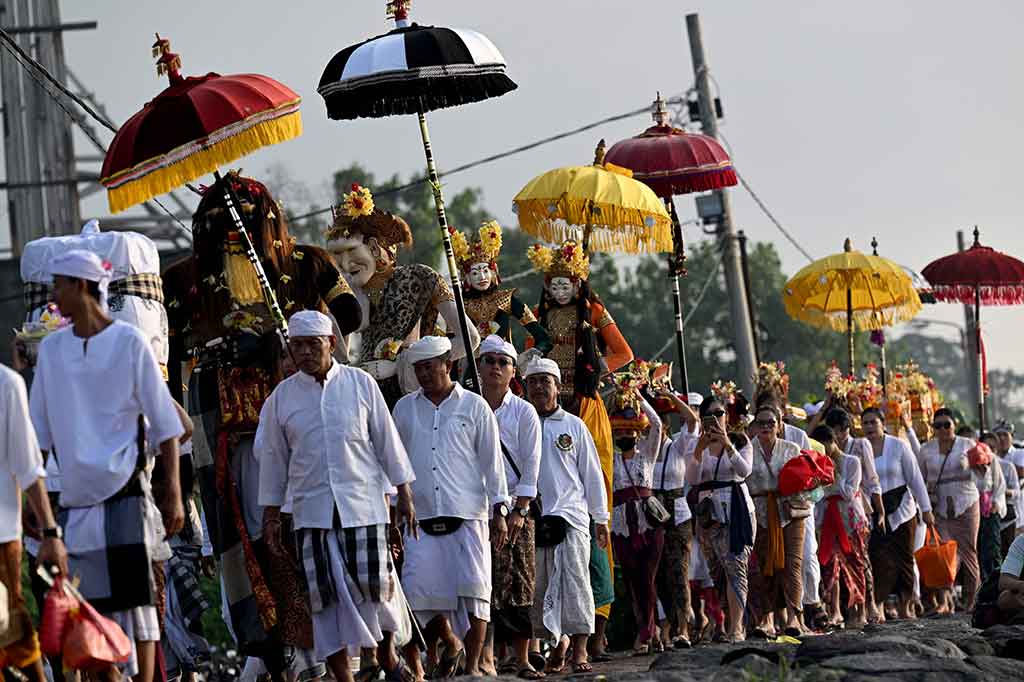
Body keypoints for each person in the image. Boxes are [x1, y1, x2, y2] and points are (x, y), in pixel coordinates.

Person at [163, 173, 361, 680]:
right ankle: (266, 643)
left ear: (267, 217)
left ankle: (323, 641)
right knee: (247, 533)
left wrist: (293, 334)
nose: (235, 228)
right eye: (224, 219)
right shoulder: (182, 280)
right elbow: (167, 360)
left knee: (305, 524)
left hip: (297, 412)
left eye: (246, 217)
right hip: (224, 428)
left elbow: (351, 315)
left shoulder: (305, 262)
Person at [30, 250, 186, 682]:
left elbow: (167, 426)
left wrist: (172, 491)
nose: (54, 294)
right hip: (76, 509)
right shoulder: (54, 351)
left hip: (127, 500)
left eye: (59, 284)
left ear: (81, 286)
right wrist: (38, 511)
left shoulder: (130, 342)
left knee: (138, 616)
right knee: (89, 620)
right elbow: (36, 441)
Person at [256, 311, 417, 682]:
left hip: (364, 506)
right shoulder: (282, 397)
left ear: (331, 344)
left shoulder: (360, 383)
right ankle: (343, 676)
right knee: (323, 600)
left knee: (376, 590)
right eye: (298, 346)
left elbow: (387, 440)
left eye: (314, 344)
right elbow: (273, 462)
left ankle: (387, 652)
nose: (306, 352)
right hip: (311, 514)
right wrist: (270, 518)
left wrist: (404, 493)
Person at [526, 240, 633, 658]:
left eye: (566, 282)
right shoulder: (541, 316)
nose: (559, 290)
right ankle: (548, 636)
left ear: (578, 282)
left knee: (592, 511)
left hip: (584, 411)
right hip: (544, 407)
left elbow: (623, 352)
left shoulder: (591, 311)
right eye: (552, 283)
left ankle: (597, 624)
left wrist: (589, 372)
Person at [392, 336, 509, 679]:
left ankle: (472, 667)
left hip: (469, 512)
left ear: (449, 364)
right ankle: (447, 643)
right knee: (419, 595)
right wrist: (393, 504)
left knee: (475, 590)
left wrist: (500, 510)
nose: (424, 374)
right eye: (418, 368)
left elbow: (493, 462)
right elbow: (394, 459)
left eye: (430, 366)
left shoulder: (474, 406)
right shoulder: (404, 408)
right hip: (419, 515)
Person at [325, 183, 478, 407]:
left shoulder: (420, 276)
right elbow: (340, 358)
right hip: (367, 398)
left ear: (375, 248)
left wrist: (405, 364)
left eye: (350, 251)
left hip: (415, 395)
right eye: (337, 255)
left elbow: (470, 339)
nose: (344, 264)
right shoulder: (348, 289)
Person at [522, 358, 609, 675]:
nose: (539, 387)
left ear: (558, 387)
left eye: (546, 381)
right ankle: (534, 652)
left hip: (570, 517)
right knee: (534, 587)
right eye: (533, 381)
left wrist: (601, 518)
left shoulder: (574, 426)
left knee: (575, 585)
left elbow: (592, 475)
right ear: (525, 387)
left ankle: (579, 652)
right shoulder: (520, 422)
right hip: (531, 518)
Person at [474, 336, 542, 679]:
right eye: (489, 361)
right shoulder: (469, 405)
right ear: (478, 365)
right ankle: (487, 656)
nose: (496, 368)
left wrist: (520, 510)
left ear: (513, 370)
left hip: (516, 506)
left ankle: (522, 657)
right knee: (482, 582)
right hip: (477, 506)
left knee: (518, 581)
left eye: (503, 362)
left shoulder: (524, 411)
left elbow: (531, 464)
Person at [0, 363, 68, 682]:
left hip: (1, 541)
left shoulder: (6, 384)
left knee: (15, 638)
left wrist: (51, 532)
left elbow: (28, 467)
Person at [685, 389, 755, 643]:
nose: (715, 419)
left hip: (736, 511)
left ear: (727, 416)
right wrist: (699, 451)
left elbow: (744, 470)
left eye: (719, 413)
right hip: (708, 516)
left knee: (736, 568)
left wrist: (727, 445)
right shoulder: (695, 444)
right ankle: (728, 621)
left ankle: (736, 627)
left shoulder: (740, 441)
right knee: (717, 572)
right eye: (709, 415)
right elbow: (692, 479)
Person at [608, 376, 664, 655]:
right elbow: (601, 429)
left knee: (648, 579)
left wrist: (636, 395)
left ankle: (646, 633)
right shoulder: (611, 458)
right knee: (632, 581)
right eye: (618, 434)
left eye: (626, 433)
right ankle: (647, 630)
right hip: (620, 525)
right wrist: (615, 397)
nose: (622, 437)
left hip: (648, 524)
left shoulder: (647, 454)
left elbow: (658, 425)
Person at [862, 406, 934, 620]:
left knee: (904, 559)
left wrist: (927, 509)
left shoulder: (899, 445)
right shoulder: (860, 448)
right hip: (874, 511)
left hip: (903, 508)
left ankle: (906, 605)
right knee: (878, 558)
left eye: (873, 422)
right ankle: (880, 606)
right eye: (865, 423)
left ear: (883, 424)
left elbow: (916, 479)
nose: (869, 427)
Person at [746, 403, 805, 637]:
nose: (766, 426)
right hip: (760, 512)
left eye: (771, 422)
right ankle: (766, 618)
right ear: (754, 426)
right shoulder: (748, 450)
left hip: (790, 511)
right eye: (761, 422)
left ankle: (793, 617)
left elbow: (806, 483)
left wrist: (795, 500)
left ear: (780, 425)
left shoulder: (791, 449)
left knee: (793, 566)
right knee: (764, 566)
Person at [450, 222, 551, 353]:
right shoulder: (460, 305)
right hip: (470, 368)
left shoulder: (506, 300)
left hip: (503, 364)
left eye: (485, 271)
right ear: (466, 277)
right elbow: (450, 344)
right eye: (475, 273)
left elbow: (543, 339)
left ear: (493, 272)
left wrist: (532, 354)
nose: (482, 277)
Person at [918, 408, 983, 613]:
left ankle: (972, 601)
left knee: (968, 550)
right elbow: (920, 479)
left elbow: (982, 474)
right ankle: (944, 602)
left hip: (967, 501)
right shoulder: (926, 449)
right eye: (938, 425)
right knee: (942, 553)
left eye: (947, 424)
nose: (943, 429)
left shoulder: (968, 445)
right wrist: (925, 505)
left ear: (954, 425)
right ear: (933, 428)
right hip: (940, 505)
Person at [651, 389, 700, 649]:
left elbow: (692, 420)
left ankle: (683, 628)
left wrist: (670, 397)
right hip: (653, 512)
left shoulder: (678, 445)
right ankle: (666, 626)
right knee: (658, 575)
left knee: (678, 570)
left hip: (678, 513)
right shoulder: (642, 449)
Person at [825, 407, 884, 620]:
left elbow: (872, 479)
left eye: (836, 432)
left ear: (844, 430)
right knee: (833, 562)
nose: (834, 437)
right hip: (831, 512)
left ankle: (870, 605)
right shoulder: (826, 453)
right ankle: (837, 610)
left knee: (860, 559)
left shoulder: (860, 445)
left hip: (857, 508)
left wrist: (880, 509)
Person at [811, 425, 870, 629]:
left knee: (855, 563)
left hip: (850, 520)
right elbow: (817, 495)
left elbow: (848, 492)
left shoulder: (852, 462)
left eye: (823, 446)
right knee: (830, 566)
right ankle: (835, 611)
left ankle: (860, 611)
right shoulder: (817, 463)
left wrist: (833, 475)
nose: (821, 451)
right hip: (827, 519)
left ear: (831, 442)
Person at [972, 438, 1008, 587]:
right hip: (972, 512)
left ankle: (996, 586)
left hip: (991, 511)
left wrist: (995, 503)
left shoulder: (991, 460)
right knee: (976, 550)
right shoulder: (966, 462)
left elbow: (1000, 485)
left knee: (992, 550)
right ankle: (981, 588)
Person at [989, 426, 1024, 556]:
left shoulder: (1019, 454)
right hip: (994, 513)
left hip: (1016, 511)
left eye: (1005, 434)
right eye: (999, 435)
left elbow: (1021, 472)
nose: (1002, 438)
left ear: (1011, 436)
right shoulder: (992, 461)